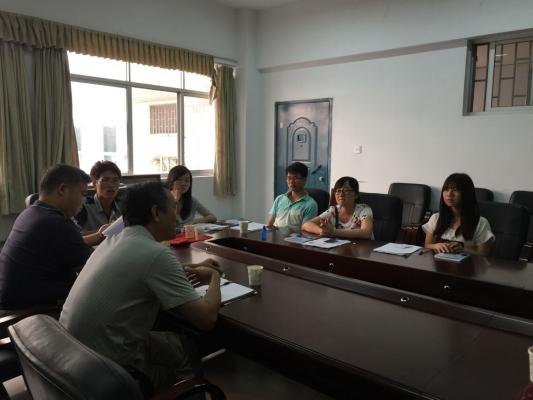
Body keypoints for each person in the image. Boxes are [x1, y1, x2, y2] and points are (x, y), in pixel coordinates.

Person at [60, 181, 221, 392]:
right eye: (173, 208)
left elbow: (142, 270)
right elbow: (206, 319)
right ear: (156, 213)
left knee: (182, 344)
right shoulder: (156, 254)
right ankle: (188, 391)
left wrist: (194, 267)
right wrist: (215, 277)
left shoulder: (113, 240)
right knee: (185, 357)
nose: (177, 216)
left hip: (74, 356)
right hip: (108, 372)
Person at [0, 164, 92, 309]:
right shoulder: (56, 222)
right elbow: (94, 266)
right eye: (83, 193)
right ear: (62, 189)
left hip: (12, 300)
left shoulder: (31, 213)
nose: (84, 200)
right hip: (30, 310)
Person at [423, 173, 494, 255]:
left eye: (455, 190)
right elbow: (427, 245)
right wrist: (436, 246)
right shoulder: (436, 218)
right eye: (446, 189)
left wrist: (464, 249)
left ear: (467, 193)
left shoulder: (481, 223)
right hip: (437, 261)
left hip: (467, 263)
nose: (449, 194)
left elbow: (484, 253)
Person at [302, 176, 373, 239]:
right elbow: (306, 225)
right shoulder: (333, 210)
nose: (341, 194)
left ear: (356, 195)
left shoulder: (364, 209)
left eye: (346, 191)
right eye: (338, 191)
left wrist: (334, 232)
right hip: (341, 248)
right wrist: (322, 231)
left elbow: (366, 232)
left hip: (362, 248)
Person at [266, 162, 318, 232]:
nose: (291, 181)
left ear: (304, 180)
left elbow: (306, 229)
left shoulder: (310, 204)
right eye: (289, 178)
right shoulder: (280, 199)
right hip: (275, 236)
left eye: (295, 178)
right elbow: (269, 224)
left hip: (294, 238)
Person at [75, 160, 122, 234]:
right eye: (105, 180)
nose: (111, 185)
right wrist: (102, 233)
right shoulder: (82, 207)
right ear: (94, 183)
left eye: (115, 180)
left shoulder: (123, 205)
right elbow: (74, 235)